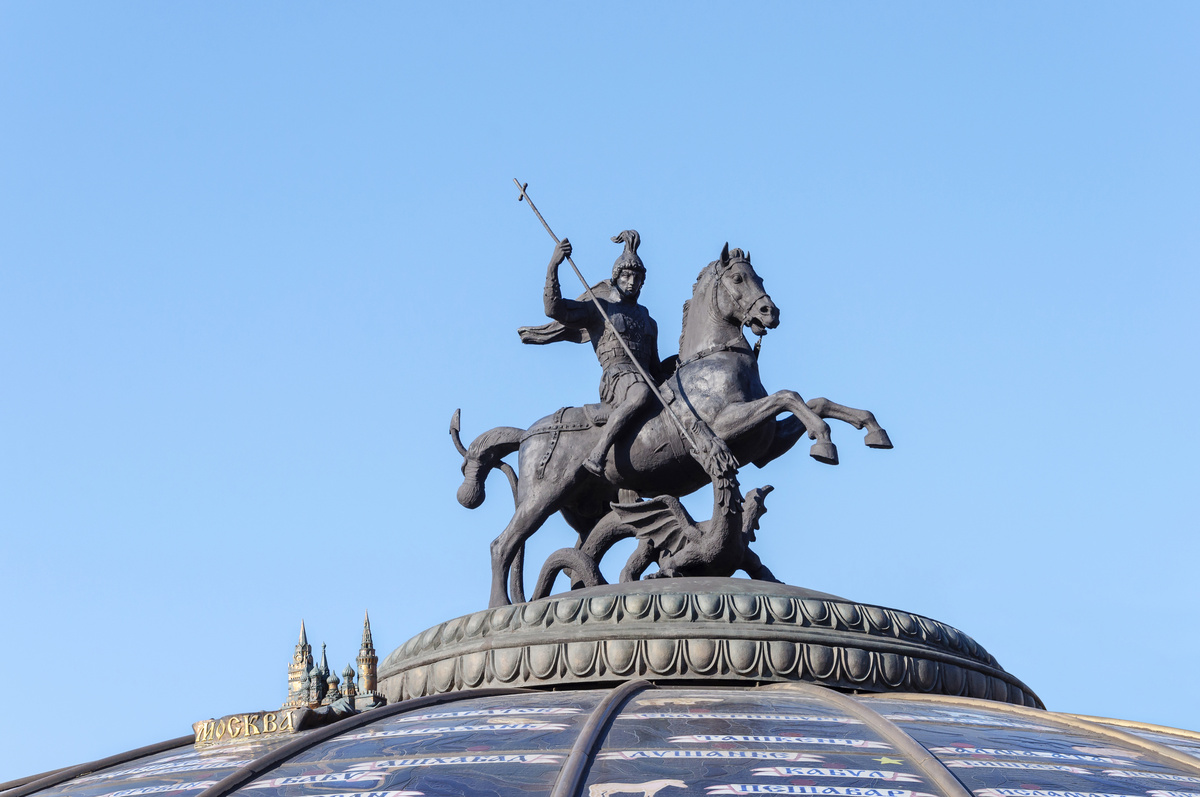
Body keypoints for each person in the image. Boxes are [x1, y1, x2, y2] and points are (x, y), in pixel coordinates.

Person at [519, 230, 664, 477]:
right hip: (617, 377)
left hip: (645, 378)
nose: (631, 282)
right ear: (616, 277)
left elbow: (655, 367)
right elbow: (554, 309)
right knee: (640, 394)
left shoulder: (649, 321)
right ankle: (598, 452)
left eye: (637, 278)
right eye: (626, 275)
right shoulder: (601, 308)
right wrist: (553, 266)